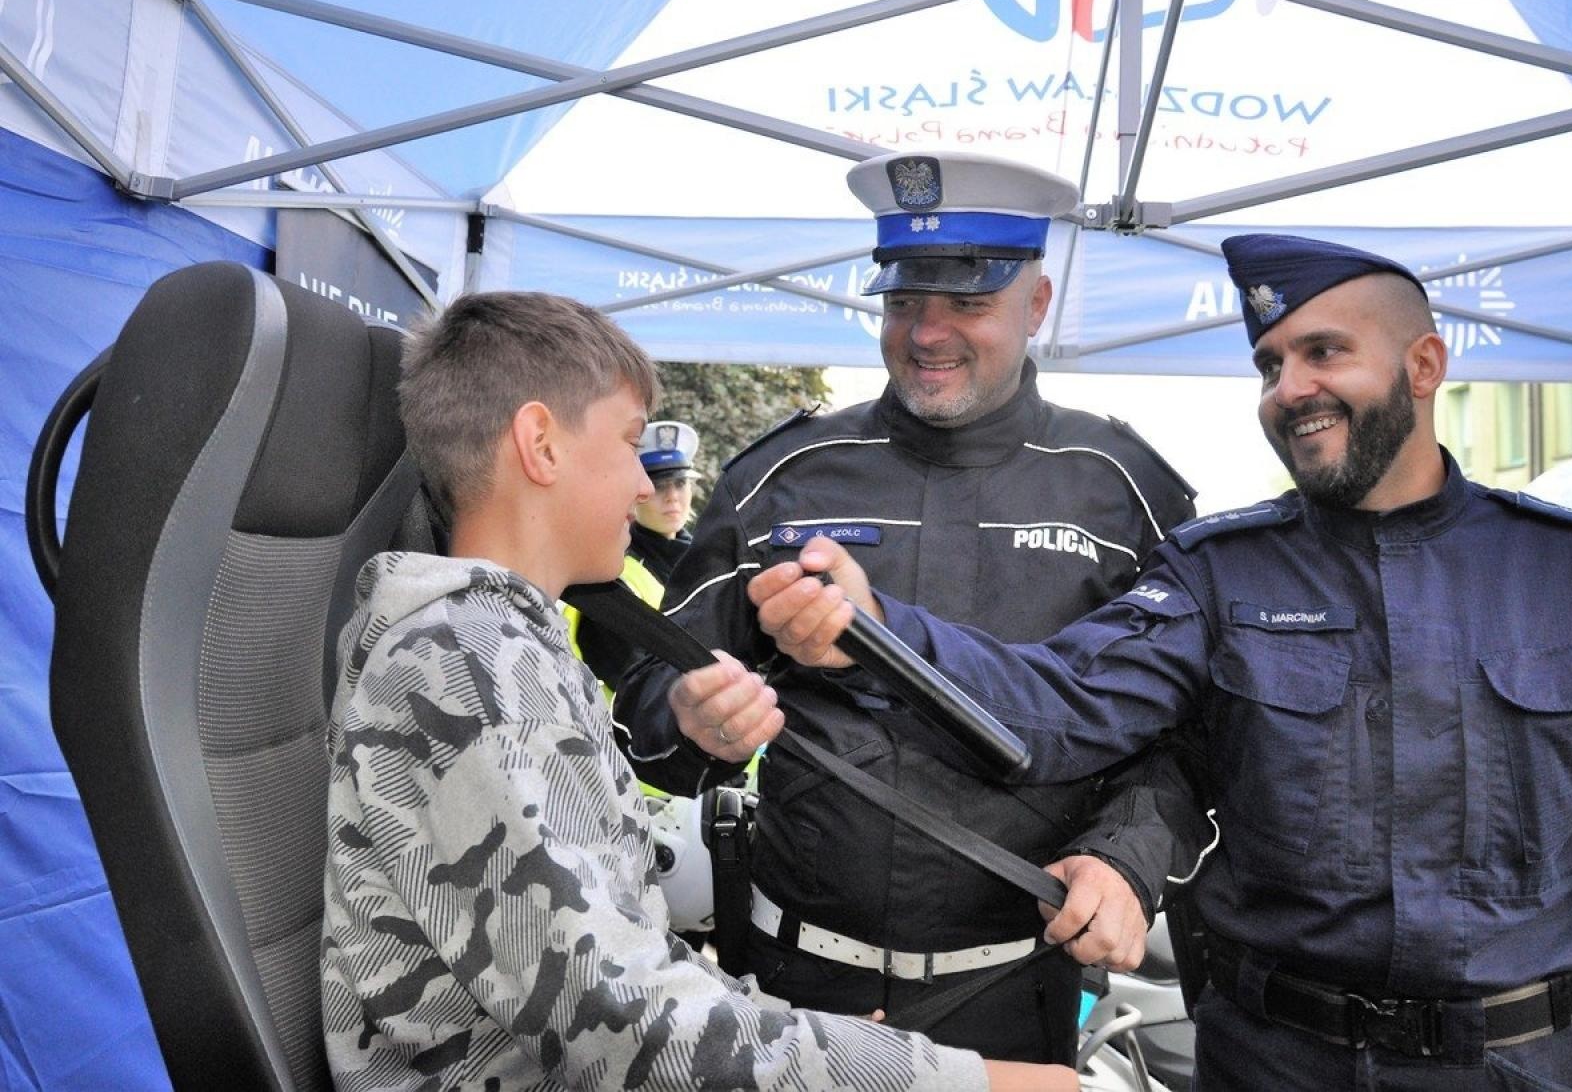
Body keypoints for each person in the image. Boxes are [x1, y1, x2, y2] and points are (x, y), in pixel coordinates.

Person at [749, 234, 1572, 1089]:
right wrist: (876, 628)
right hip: (1274, 1062)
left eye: (1324, 353)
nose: (1289, 389)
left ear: (1424, 365)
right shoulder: (1221, 572)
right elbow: (1066, 705)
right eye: (1270, 365)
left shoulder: (1571, 573)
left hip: (1519, 1065)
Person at [319, 290, 1076, 1090]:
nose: (641, 486)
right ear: (540, 444)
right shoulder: (468, 666)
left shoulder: (501, 642)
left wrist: (836, 1045)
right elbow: (624, 1023)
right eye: (628, 442)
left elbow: (623, 959)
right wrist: (956, 1081)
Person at [614, 152, 1204, 1063]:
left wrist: (1128, 857)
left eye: (968, 302)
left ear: (1038, 305)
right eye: (902, 301)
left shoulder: (1124, 491)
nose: (927, 333)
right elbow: (648, 702)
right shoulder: (782, 477)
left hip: (1014, 994)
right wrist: (692, 719)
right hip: (797, 997)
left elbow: (1190, 733)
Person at [567, 419, 703, 691]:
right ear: (636, 490)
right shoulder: (608, 573)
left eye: (680, 483)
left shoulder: (706, 559)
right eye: (658, 485)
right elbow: (635, 682)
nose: (672, 497)